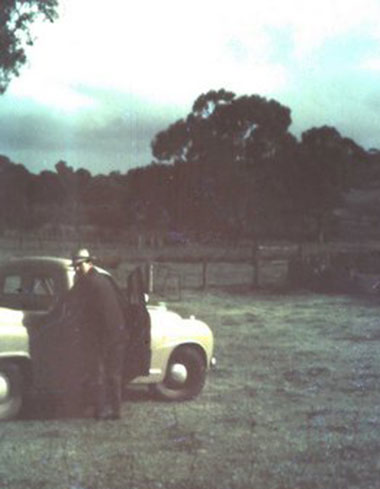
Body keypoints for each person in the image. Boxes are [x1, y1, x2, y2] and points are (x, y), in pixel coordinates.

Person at [69, 248, 128, 420]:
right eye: (75, 266)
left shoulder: (85, 282)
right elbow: (121, 302)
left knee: (99, 374)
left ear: (90, 263)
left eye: (79, 265)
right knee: (114, 374)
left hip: (101, 337)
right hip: (118, 334)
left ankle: (101, 411)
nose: (77, 269)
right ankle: (116, 411)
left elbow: (72, 303)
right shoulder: (104, 278)